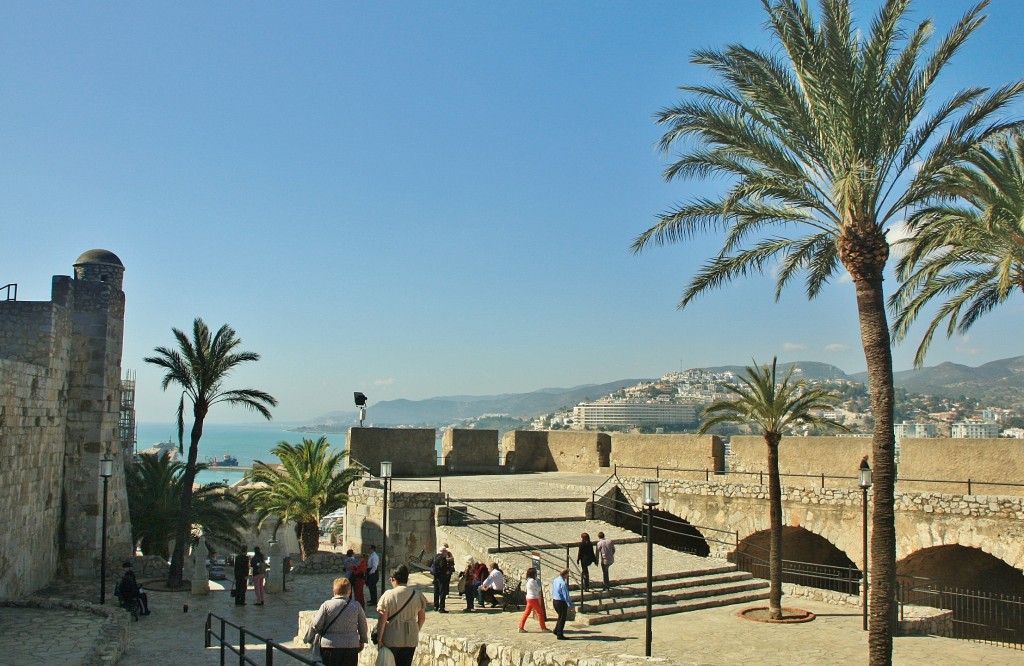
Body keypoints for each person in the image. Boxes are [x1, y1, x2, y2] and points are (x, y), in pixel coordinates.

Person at [309, 577, 368, 666]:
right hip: (350, 646)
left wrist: (312, 637)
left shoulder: (326, 605)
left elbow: (316, 624)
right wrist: (362, 640)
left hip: (330, 646)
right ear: (349, 592)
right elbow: (363, 625)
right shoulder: (356, 606)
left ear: (334, 591)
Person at [376, 565, 427, 666]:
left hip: (392, 636)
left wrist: (379, 638)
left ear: (393, 579)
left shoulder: (388, 595)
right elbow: (422, 618)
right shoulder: (417, 594)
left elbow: (382, 619)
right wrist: (415, 629)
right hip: (410, 637)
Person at [518, 567, 548, 633]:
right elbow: (538, 589)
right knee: (540, 613)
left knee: (526, 613)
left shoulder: (528, 580)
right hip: (533, 598)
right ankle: (543, 628)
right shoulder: (532, 581)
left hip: (529, 598)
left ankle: (521, 627)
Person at [550, 567, 573, 640]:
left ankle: (556, 630)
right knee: (562, 618)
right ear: (566, 574)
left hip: (555, 600)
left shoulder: (555, 580)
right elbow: (566, 595)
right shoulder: (563, 583)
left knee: (560, 617)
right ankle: (559, 634)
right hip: (561, 602)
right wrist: (569, 605)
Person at [430, 545, 453, 612]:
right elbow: (442, 567)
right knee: (442, 592)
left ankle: (435, 606)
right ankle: (441, 608)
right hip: (441, 577)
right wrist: (447, 571)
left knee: (436, 591)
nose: (446, 552)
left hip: (436, 576)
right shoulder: (442, 558)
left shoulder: (435, 556)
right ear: (443, 551)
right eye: (445, 551)